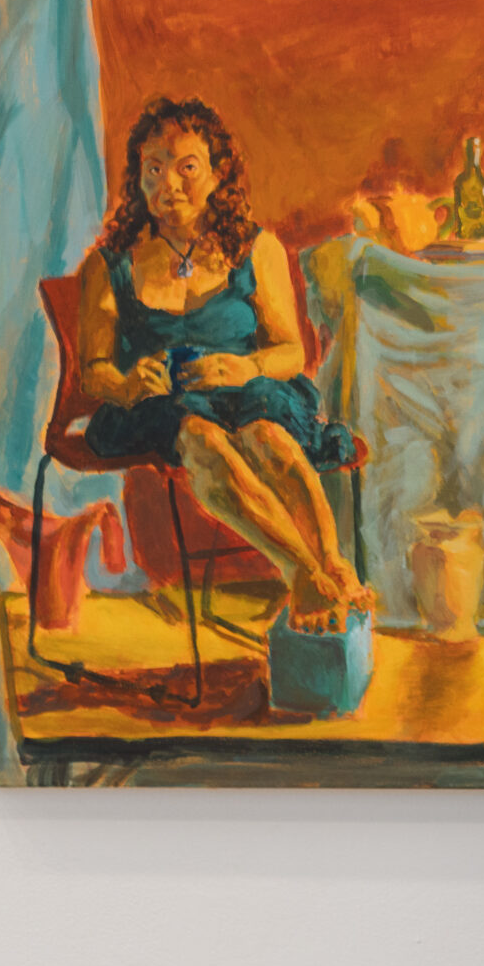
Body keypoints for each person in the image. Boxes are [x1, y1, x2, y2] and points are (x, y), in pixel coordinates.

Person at [75, 97, 371, 634]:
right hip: (161, 409)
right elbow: (92, 371)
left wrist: (241, 369)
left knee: (267, 437)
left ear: (217, 175)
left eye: (187, 168)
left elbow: (291, 353)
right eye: (154, 171)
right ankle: (301, 572)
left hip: (245, 392)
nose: (170, 186)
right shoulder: (110, 264)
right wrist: (124, 382)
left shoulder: (256, 250)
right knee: (203, 442)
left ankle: (332, 564)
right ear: (139, 181)